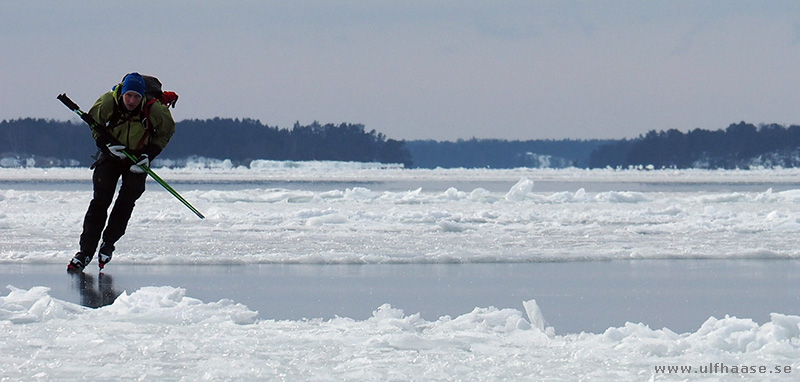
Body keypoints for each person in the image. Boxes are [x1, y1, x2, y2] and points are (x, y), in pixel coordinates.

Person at [67, 72, 176, 272]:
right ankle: (84, 252)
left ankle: (108, 244)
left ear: (142, 96)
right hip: (112, 155)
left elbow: (167, 131)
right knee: (100, 201)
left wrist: (149, 154)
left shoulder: (156, 110)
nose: (132, 101)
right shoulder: (107, 102)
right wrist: (105, 144)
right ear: (122, 94)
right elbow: (94, 125)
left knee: (126, 200)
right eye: (128, 96)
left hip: (138, 158)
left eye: (136, 96)